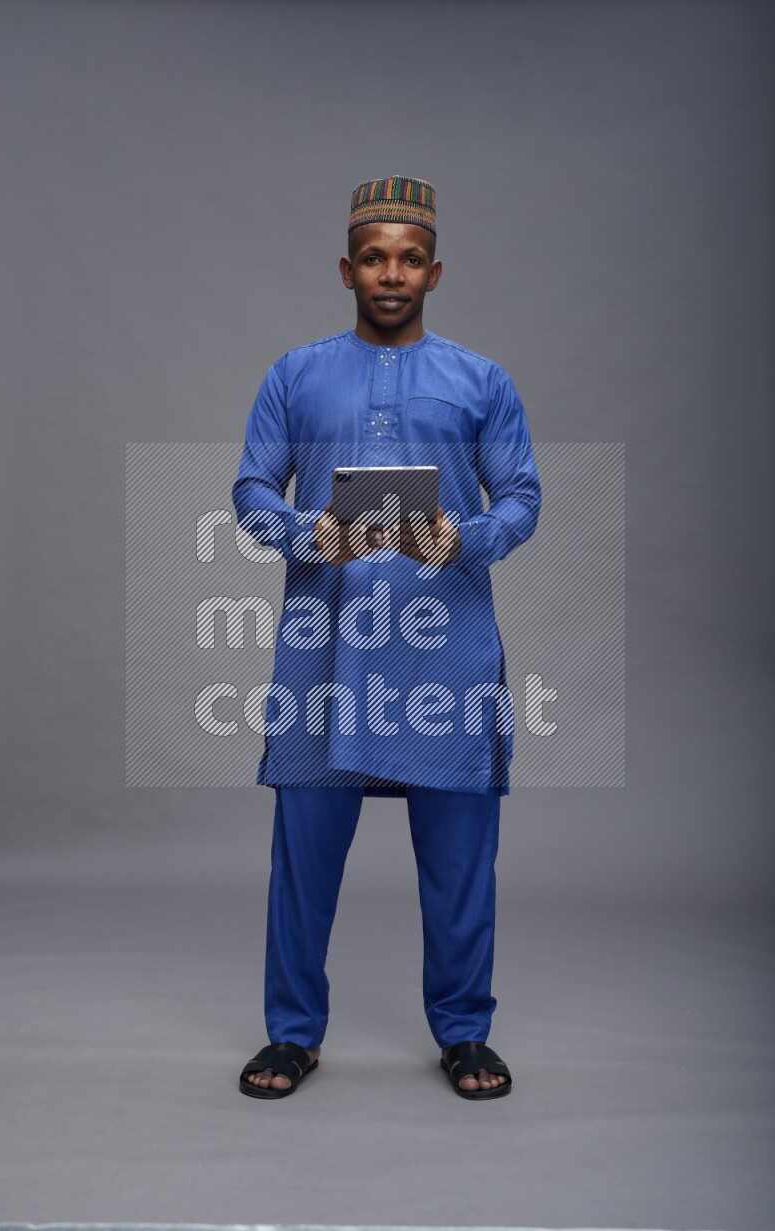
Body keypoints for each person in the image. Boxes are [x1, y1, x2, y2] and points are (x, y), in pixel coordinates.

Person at [231, 175, 541, 1100]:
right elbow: (251, 488)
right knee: (304, 858)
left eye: (409, 258)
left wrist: (466, 537)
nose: (391, 273)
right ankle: (292, 1034)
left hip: (445, 650)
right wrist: (302, 532)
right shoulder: (295, 374)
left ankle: (464, 1033)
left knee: (459, 862)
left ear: (434, 271)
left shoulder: (482, 380)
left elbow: (522, 497)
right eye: (374, 257)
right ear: (347, 268)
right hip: (324, 651)